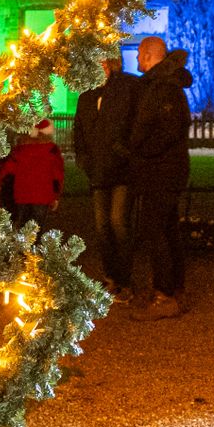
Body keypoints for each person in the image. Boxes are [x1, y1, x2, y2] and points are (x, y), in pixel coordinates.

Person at [127, 36, 192, 320]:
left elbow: (167, 129)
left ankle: (164, 293)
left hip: (161, 169)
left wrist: (140, 150)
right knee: (166, 230)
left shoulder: (163, 88)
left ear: (151, 55)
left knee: (156, 230)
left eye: (141, 53)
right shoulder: (162, 85)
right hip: (164, 168)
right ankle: (173, 289)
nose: (137, 58)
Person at [73, 55, 142, 298]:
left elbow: (134, 126)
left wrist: (124, 152)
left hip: (121, 170)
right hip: (98, 171)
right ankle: (111, 276)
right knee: (103, 227)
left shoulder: (126, 90)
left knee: (118, 223)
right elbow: (79, 132)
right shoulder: (87, 98)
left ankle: (124, 278)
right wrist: (84, 159)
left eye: (103, 64)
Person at [0, 119, 64, 229]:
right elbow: (57, 175)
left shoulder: (21, 149)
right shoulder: (52, 150)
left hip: (22, 194)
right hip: (42, 196)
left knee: (21, 224)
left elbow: (8, 169)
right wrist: (56, 196)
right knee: (36, 228)